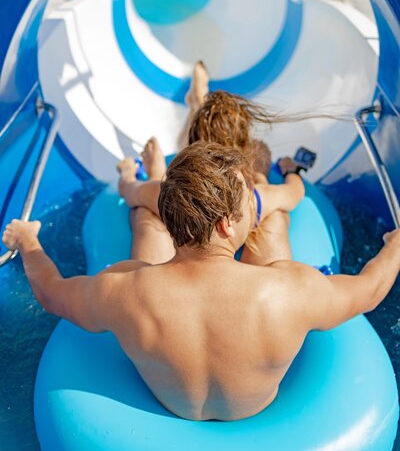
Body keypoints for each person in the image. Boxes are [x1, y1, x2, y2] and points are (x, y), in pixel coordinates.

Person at [3, 142, 400, 421]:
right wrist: (395, 246)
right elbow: (369, 290)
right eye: (248, 203)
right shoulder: (289, 291)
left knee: (144, 234)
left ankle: (149, 184)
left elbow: (52, 294)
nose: (253, 210)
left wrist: (28, 242)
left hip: (169, 402)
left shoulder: (123, 290)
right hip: (256, 408)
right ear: (227, 224)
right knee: (276, 226)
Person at [118, 61, 306, 263]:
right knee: (275, 212)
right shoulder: (252, 201)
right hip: (249, 201)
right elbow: (295, 192)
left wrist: (130, 172)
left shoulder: (166, 194)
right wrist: (290, 171)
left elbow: (129, 190)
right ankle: (198, 102)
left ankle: (197, 103)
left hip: (174, 203)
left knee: (145, 211)